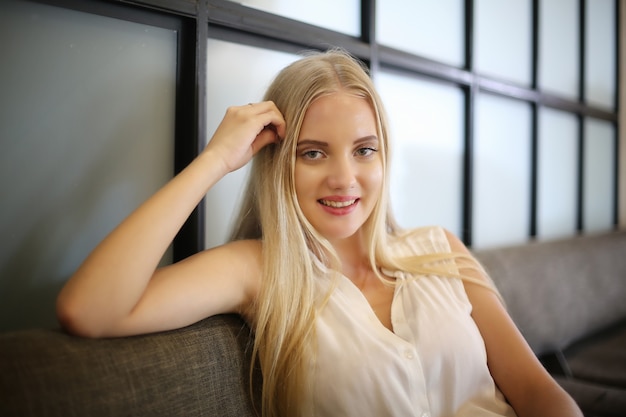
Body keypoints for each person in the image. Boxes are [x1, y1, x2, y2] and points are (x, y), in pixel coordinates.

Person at [56, 49, 583, 417]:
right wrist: (216, 159)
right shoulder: (259, 270)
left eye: (364, 149)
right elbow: (90, 309)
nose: (343, 178)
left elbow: (540, 394)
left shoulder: (440, 249)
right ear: (277, 161)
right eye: (312, 152)